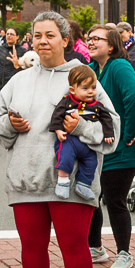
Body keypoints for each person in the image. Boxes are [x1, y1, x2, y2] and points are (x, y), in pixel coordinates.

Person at [0, 11, 119, 268]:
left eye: (50, 35)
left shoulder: (84, 78)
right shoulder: (18, 80)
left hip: (70, 183)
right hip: (25, 179)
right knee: (31, 248)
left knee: (75, 248)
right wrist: (9, 125)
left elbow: (111, 128)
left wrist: (82, 127)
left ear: (64, 39)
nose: (42, 41)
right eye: (37, 35)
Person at [87, 25, 135, 268]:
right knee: (90, 197)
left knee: (114, 199)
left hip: (123, 147)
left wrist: (129, 134)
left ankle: (124, 253)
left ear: (111, 45)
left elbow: (134, 99)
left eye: (96, 39)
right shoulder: (92, 70)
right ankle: (96, 248)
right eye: (88, 39)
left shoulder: (119, 66)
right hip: (101, 145)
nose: (90, 42)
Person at [49, 65, 115, 200]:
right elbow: (57, 115)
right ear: (73, 90)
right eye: (85, 88)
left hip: (88, 145)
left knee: (91, 163)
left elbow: (107, 119)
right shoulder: (66, 101)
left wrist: (109, 134)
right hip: (69, 140)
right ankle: (62, 182)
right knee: (64, 158)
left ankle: (83, 185)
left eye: (93, 88)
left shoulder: (97, 105)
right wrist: (58, 130)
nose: (91, 92)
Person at [0, 27, 26, 101]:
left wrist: (17, 64)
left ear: (17, 37)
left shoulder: (22, 51)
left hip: (13, 85)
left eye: (12, 34)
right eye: (7, 34)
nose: (9, 36)